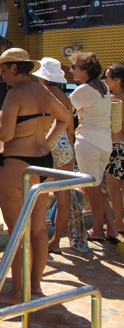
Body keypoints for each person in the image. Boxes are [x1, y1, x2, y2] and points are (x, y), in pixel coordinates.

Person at [0, 48, 70, 304]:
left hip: (16, 166)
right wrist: (46, 142)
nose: (3, 76)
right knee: (39, 230)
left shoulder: (15, 94)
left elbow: (5, 135)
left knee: (18, 231)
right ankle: (35, 286)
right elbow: (65, 117)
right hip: (42, 163)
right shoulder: (42, 91)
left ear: (15, 68)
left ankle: (18, 291)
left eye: (5, 70)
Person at [69, 53, 118, 243]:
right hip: (104, 143)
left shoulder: (84, 90)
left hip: (88, 142)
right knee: (97, 188)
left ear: (85, 69)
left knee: (92, 189)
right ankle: (111, 228)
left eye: (74, 66)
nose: (72, 70)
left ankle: (97, 230)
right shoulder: (103, 87)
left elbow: (64, 108)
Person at [30, 58, 76, 254]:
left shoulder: (43, 95)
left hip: (50, 143)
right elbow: (71, 128)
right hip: (65, 145)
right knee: (62, 195)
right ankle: (56, 241)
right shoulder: (64, 97)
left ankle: (38, 240)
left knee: (40, 195)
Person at [104, 62, 124, 233]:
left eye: (107, 77)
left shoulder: (114, 100)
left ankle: (118, 222)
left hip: (116, 146)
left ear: (117, 79)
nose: (105, 81)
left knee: (114, 187)